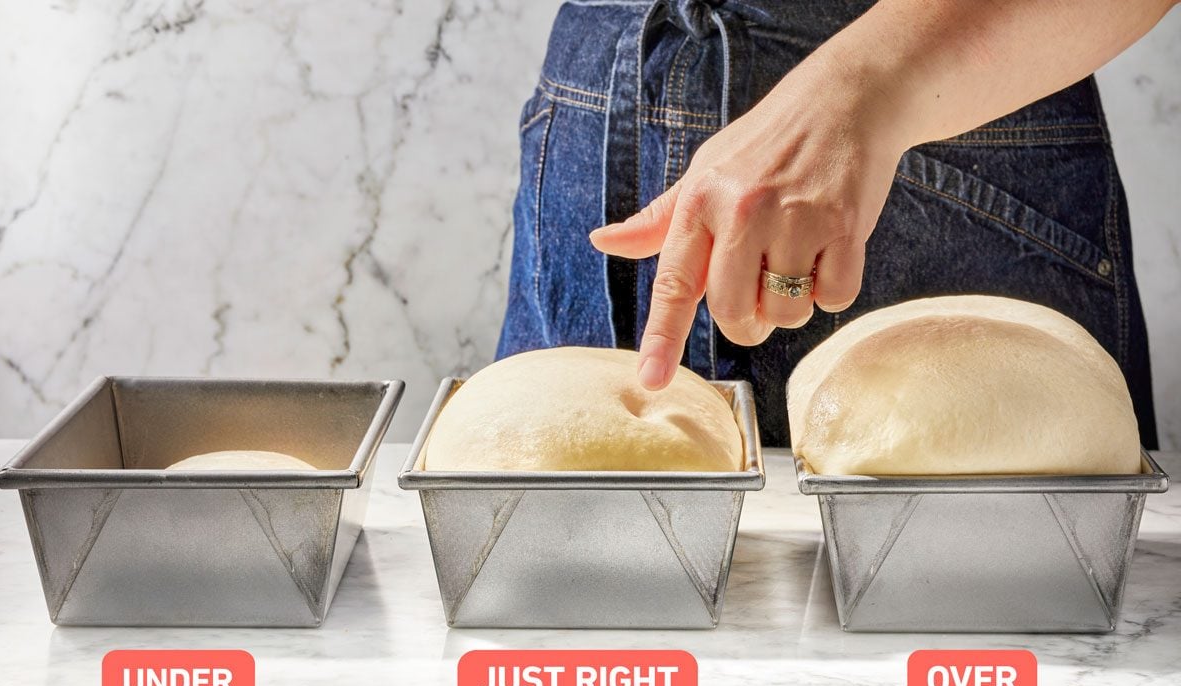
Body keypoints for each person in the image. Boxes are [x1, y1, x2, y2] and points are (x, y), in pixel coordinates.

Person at [497, 0, 1175, 447]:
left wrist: (859, 88)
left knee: (1006, 651)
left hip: (938, 105)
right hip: (596, 114)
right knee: (584, 655)